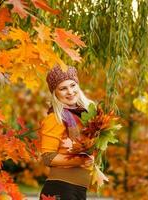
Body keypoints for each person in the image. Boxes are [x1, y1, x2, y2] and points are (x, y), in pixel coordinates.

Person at [39, 65, 96, 200]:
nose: (70, 92)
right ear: (55, 93)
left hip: (78, 189)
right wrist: (80, 160)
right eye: (63, 88)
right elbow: (48, 157)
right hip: (61, 189)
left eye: (72, 85)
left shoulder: (86, 115)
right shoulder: (55, 117)